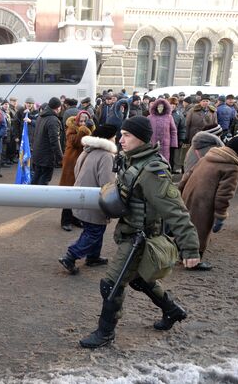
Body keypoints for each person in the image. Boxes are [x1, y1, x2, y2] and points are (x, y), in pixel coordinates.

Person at [79, 116, 200, 349]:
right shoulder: (130, 159)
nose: (120, 139)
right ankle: (172, 310)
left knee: (111, 284)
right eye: (121, 134)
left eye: (127, 135)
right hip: (130, 232)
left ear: (142, 139)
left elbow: (176, 211)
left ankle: (105, 334)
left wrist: (190, 247)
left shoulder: (152, 170)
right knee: (140, 280)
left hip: (140, 238)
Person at [59, 125, 117, 274]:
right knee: (94, 231)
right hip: (95, 201)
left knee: (95, 229)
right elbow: (107, 183)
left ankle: (93, 257)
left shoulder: (87, 150)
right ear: (109, 138)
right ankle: (71, 256)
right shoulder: (106, 156)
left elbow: (76, 171)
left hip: (81, 197)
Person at [178, 137, 238, 271]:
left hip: (188, 195)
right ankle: (193, 260)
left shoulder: (208, 156)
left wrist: (180, 191)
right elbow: (224, 195)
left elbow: (187, 174)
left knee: (185, 224)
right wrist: (220, 215)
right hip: (204, 203)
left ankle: (180, 250)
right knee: (200, 231)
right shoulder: (232, 166)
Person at [59, 111, 95, 231]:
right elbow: (76, 142)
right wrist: (85, 129)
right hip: (71, 164)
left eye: (85, 121)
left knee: (80, 192)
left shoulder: (86, 130)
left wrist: (91, 128)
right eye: (81, 121)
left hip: (83, 164)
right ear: (77, 120)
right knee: (69, 193)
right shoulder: (71, 129)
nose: (83, 123)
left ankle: (76, 218)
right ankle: (66, 220)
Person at [31, 97, 63, 185]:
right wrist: (60, 158)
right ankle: (40, 198)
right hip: (46, 156)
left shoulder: (41, 117)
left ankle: (29, 197)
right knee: (44, 179)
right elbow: (55, 141)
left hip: (37, 154)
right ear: (57, 108)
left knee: (36, 177)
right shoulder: (53, 120)